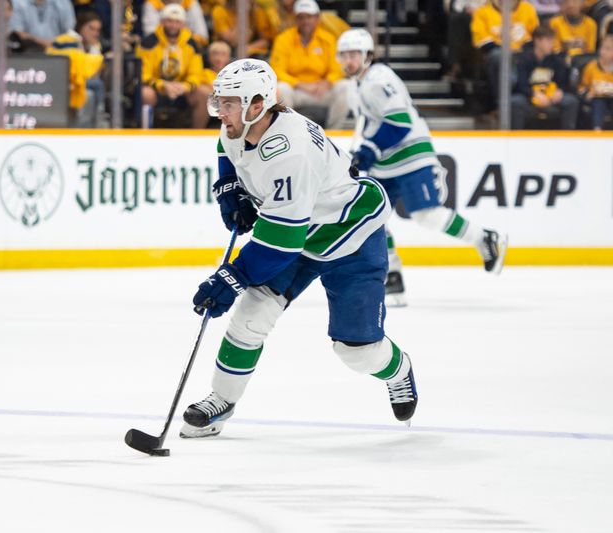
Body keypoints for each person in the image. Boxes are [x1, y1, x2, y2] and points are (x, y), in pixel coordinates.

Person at [180, 58, 419, 439]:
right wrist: (230, 188)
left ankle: (399, 369)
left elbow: (280, 243)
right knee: (252, 313)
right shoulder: (241, 124)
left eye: (228, 104)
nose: (220, 112)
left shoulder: (289, 151)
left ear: (257, 104)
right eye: (219, 102)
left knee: (356, 351)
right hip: (302, 229)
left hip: (350, 233)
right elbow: (227, 150)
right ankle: (221, 401)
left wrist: (232, 277)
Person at [337, 29, 507, 307]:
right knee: (372, 218)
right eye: (344, 55)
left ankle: (484, 238)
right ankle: (393, 278)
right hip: (386, 163)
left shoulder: (378, 79)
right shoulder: (357, 85)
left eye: (354, 54)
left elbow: (400, 121)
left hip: (412, 156)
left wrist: (369, 150)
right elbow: (371, 124)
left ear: (368, 55)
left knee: (427, 215)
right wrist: (362, 150)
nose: (349, 60)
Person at [269, 0, 351, 129]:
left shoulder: (328, 39)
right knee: (281, 88)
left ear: (317, 18)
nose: (305, 21)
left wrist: (327, 82)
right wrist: (299, 84)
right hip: (296, 90)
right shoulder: (284, 39)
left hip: (321, 90)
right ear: (296, 19)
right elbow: (277, 70)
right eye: (301, 17)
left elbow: (337, 68)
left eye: (309, 17)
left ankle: (334, 132)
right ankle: (287, 130)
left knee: (345, 86)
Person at [137, 4, 206, 128]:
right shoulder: (148, 42)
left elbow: (196, 74)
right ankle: (145, 132)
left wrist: (185, 86)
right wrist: (162, 85)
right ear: (162, 21)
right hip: (157, 88)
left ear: (183, 24)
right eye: (169, 21)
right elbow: (143, 74)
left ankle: (196, 134)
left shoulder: (192, 44)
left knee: (204, 93)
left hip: (182, 89)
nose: (173, 25)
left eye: (177, 21)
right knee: (145, 93)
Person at [511, 25, 580, 129]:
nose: (551, 45)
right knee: (515, 102)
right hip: (529, 96)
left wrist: (559, 91)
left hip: (551, 95)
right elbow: (521, 84)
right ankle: (515, 137)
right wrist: (533, 94)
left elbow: (562, 81)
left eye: (552, 41)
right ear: (537, 41)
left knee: (571, 101)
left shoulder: (557, 60)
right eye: (548, 41)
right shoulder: (524, 60)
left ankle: (567, 137)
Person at [579, 33, 613, 130]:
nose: (603, 51)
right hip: (597, 98)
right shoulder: (591, 67)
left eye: (608, 49)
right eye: (602, 48)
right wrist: (587, 94)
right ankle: (597, 130)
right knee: (598, 103)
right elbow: (582, 88)